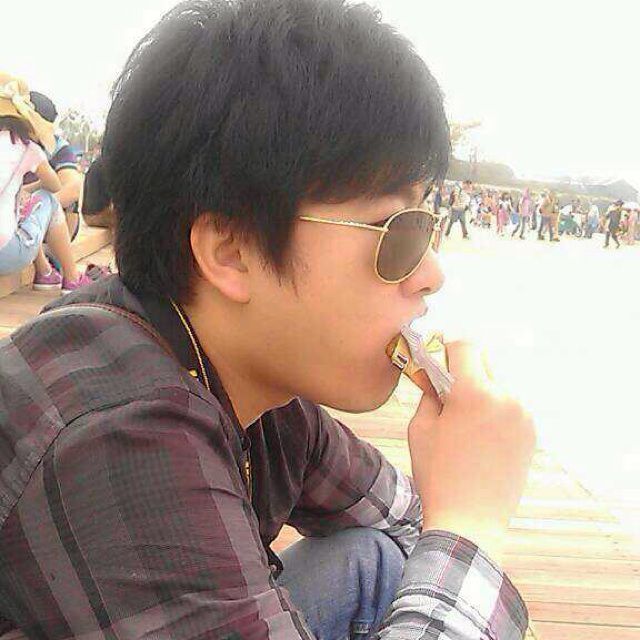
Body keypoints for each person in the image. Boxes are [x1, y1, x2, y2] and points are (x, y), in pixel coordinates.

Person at [0, 2, 535, 638]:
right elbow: (452, 539)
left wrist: (464, 482)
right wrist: (472, 525)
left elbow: (401, 518)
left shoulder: (256, 381)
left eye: (428, 225)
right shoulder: (118, 435)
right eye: (399, 230)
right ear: (232, 252)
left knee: (377, 560)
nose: (431, 274)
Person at [0, 73, 92, 292]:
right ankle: (71, 277)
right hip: (8, 252)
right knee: (46, 200)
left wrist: (23, 194)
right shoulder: (28, 148)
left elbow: (72, 188)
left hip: (20, 229)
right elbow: (55, 187)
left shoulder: (57, 148)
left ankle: (46, 273)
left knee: (28, 206)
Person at [24, 91, 83, 242]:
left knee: (66, 197)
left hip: (45, 221)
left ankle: (57, 250)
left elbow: (73, 189)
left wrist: (31, 212)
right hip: (14, 214)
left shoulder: (57, 147)